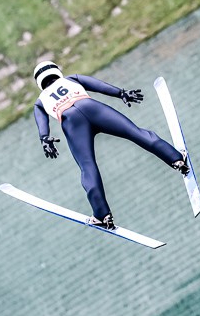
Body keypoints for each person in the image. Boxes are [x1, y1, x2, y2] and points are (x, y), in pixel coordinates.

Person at [32, 60, 189, 230]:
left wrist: (45, 139)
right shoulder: (70, 79)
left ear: (39, 83)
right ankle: (176, 158)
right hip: (92, 108)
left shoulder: (40, 102)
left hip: (71, 122)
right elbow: (98, 85)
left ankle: (102, 214)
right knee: (134, 132)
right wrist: (121, 93)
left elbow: (42, 125)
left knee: (87, 167)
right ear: (56, 71)